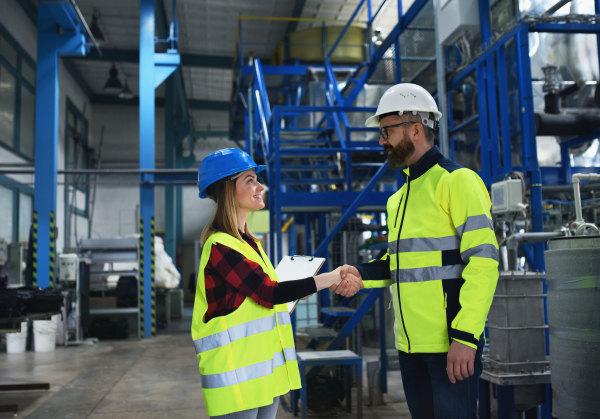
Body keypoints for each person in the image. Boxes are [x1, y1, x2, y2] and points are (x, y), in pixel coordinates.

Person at [331, 83, 499, 418]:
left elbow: (484, 262)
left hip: (450, 347)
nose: (382, 141)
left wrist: (466, 337)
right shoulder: (399, 200)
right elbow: (400, 263)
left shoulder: (457, 182)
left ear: (416, 130)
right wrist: (360, 274)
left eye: (386, 131)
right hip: (409, 348)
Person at [191, 148, 361, 419]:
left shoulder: (249, 244)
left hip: (262, 373)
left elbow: (261, 300)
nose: (260, 186)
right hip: (236, 377)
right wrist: (329, 278)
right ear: (226, 190)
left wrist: (297, 291)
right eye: (250, 180)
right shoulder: (220, 246)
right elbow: (267, 292)